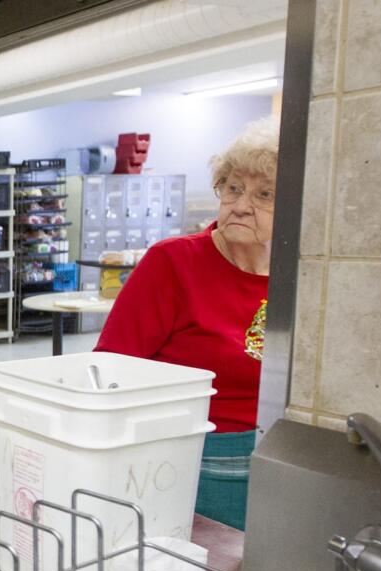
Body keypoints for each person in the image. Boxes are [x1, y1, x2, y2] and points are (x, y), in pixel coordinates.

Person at [94, 117, 279, 530]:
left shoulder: (302, 278)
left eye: (264, 194)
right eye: (233, 188)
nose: (241, 204)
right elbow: (108, 371)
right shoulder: (174, 263)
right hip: (187, 465)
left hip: (276, 467)